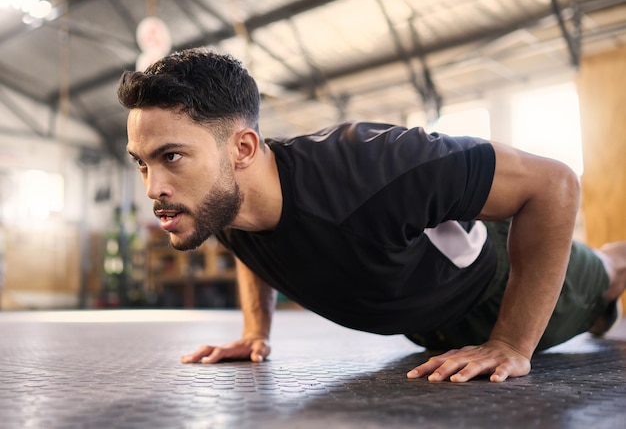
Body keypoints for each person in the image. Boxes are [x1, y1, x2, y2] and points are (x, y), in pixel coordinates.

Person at [117, 47, 626, 383]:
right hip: (428, 330)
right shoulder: (216, 203)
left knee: (608, 272)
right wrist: (256, 332)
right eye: (141, 162)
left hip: (500, 288)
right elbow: (252, 242)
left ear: (243, 148)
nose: (153, 187)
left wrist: (511, 341)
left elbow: (555, 183)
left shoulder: (373, 166)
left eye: (171, 156)